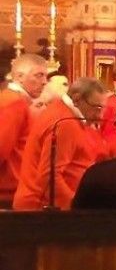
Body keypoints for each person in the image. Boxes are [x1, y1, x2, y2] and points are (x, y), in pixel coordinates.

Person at [13, 78, 107, 210]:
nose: (100, 116)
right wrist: (75, 205)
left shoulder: (58, 109)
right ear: (77, 99)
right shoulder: (65, 122)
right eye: (97, 108)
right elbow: (49, 175)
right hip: (42, 210)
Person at [0, 54, 48, 208]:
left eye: (46, 76)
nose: (44, 81)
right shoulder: (13, 103)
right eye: (39, 75)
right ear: (19, 77)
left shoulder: (15, 100)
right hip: (9, 189)